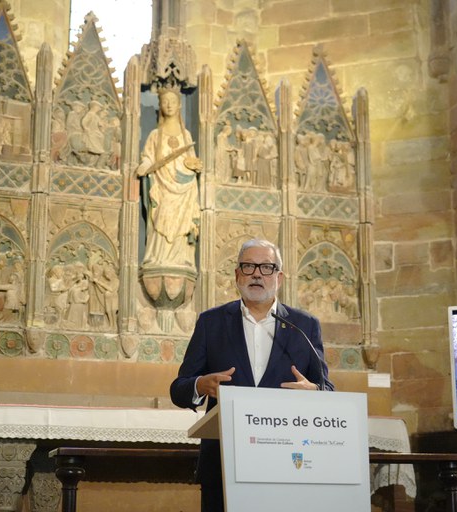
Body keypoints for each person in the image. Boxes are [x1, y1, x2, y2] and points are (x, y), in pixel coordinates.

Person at [169, 238, 333, 512]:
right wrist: (200, 385)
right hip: (223, 464)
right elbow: (179, 389)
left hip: (287, 464)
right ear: (237, 274)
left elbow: (328, 390)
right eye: (248, 266)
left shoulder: (304, 326)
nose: (257, 273)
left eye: (266, 267)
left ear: (279, 277)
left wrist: (314, 393)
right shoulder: (211, 323)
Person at [136, 88, 202, 269]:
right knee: (162, 216)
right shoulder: (155, 135)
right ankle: (158, 258)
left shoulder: (186, 135)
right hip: (162, 185)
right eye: (165, 101)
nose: (169, 105)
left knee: (183, 222)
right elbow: (148, 157)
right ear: (160, 105)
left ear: (180, 104)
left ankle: (182, 259)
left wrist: (194, 165)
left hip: (185, 186)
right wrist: (144, 165)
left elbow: (191, 159)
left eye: (173, 101)